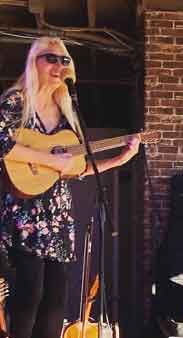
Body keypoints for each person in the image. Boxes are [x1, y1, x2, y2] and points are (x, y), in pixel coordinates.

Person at [0, 37, 140, 338]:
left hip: (59, 216)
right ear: (34, 61)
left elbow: (76, 169)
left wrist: (120, 158)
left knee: (55, 302)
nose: (59, 66)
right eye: (51, 58)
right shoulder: (16, 101)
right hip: (25, 213)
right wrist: (48, 160)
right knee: (29, 295)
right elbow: (3, 144)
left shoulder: (67, 112)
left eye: (64, 60)